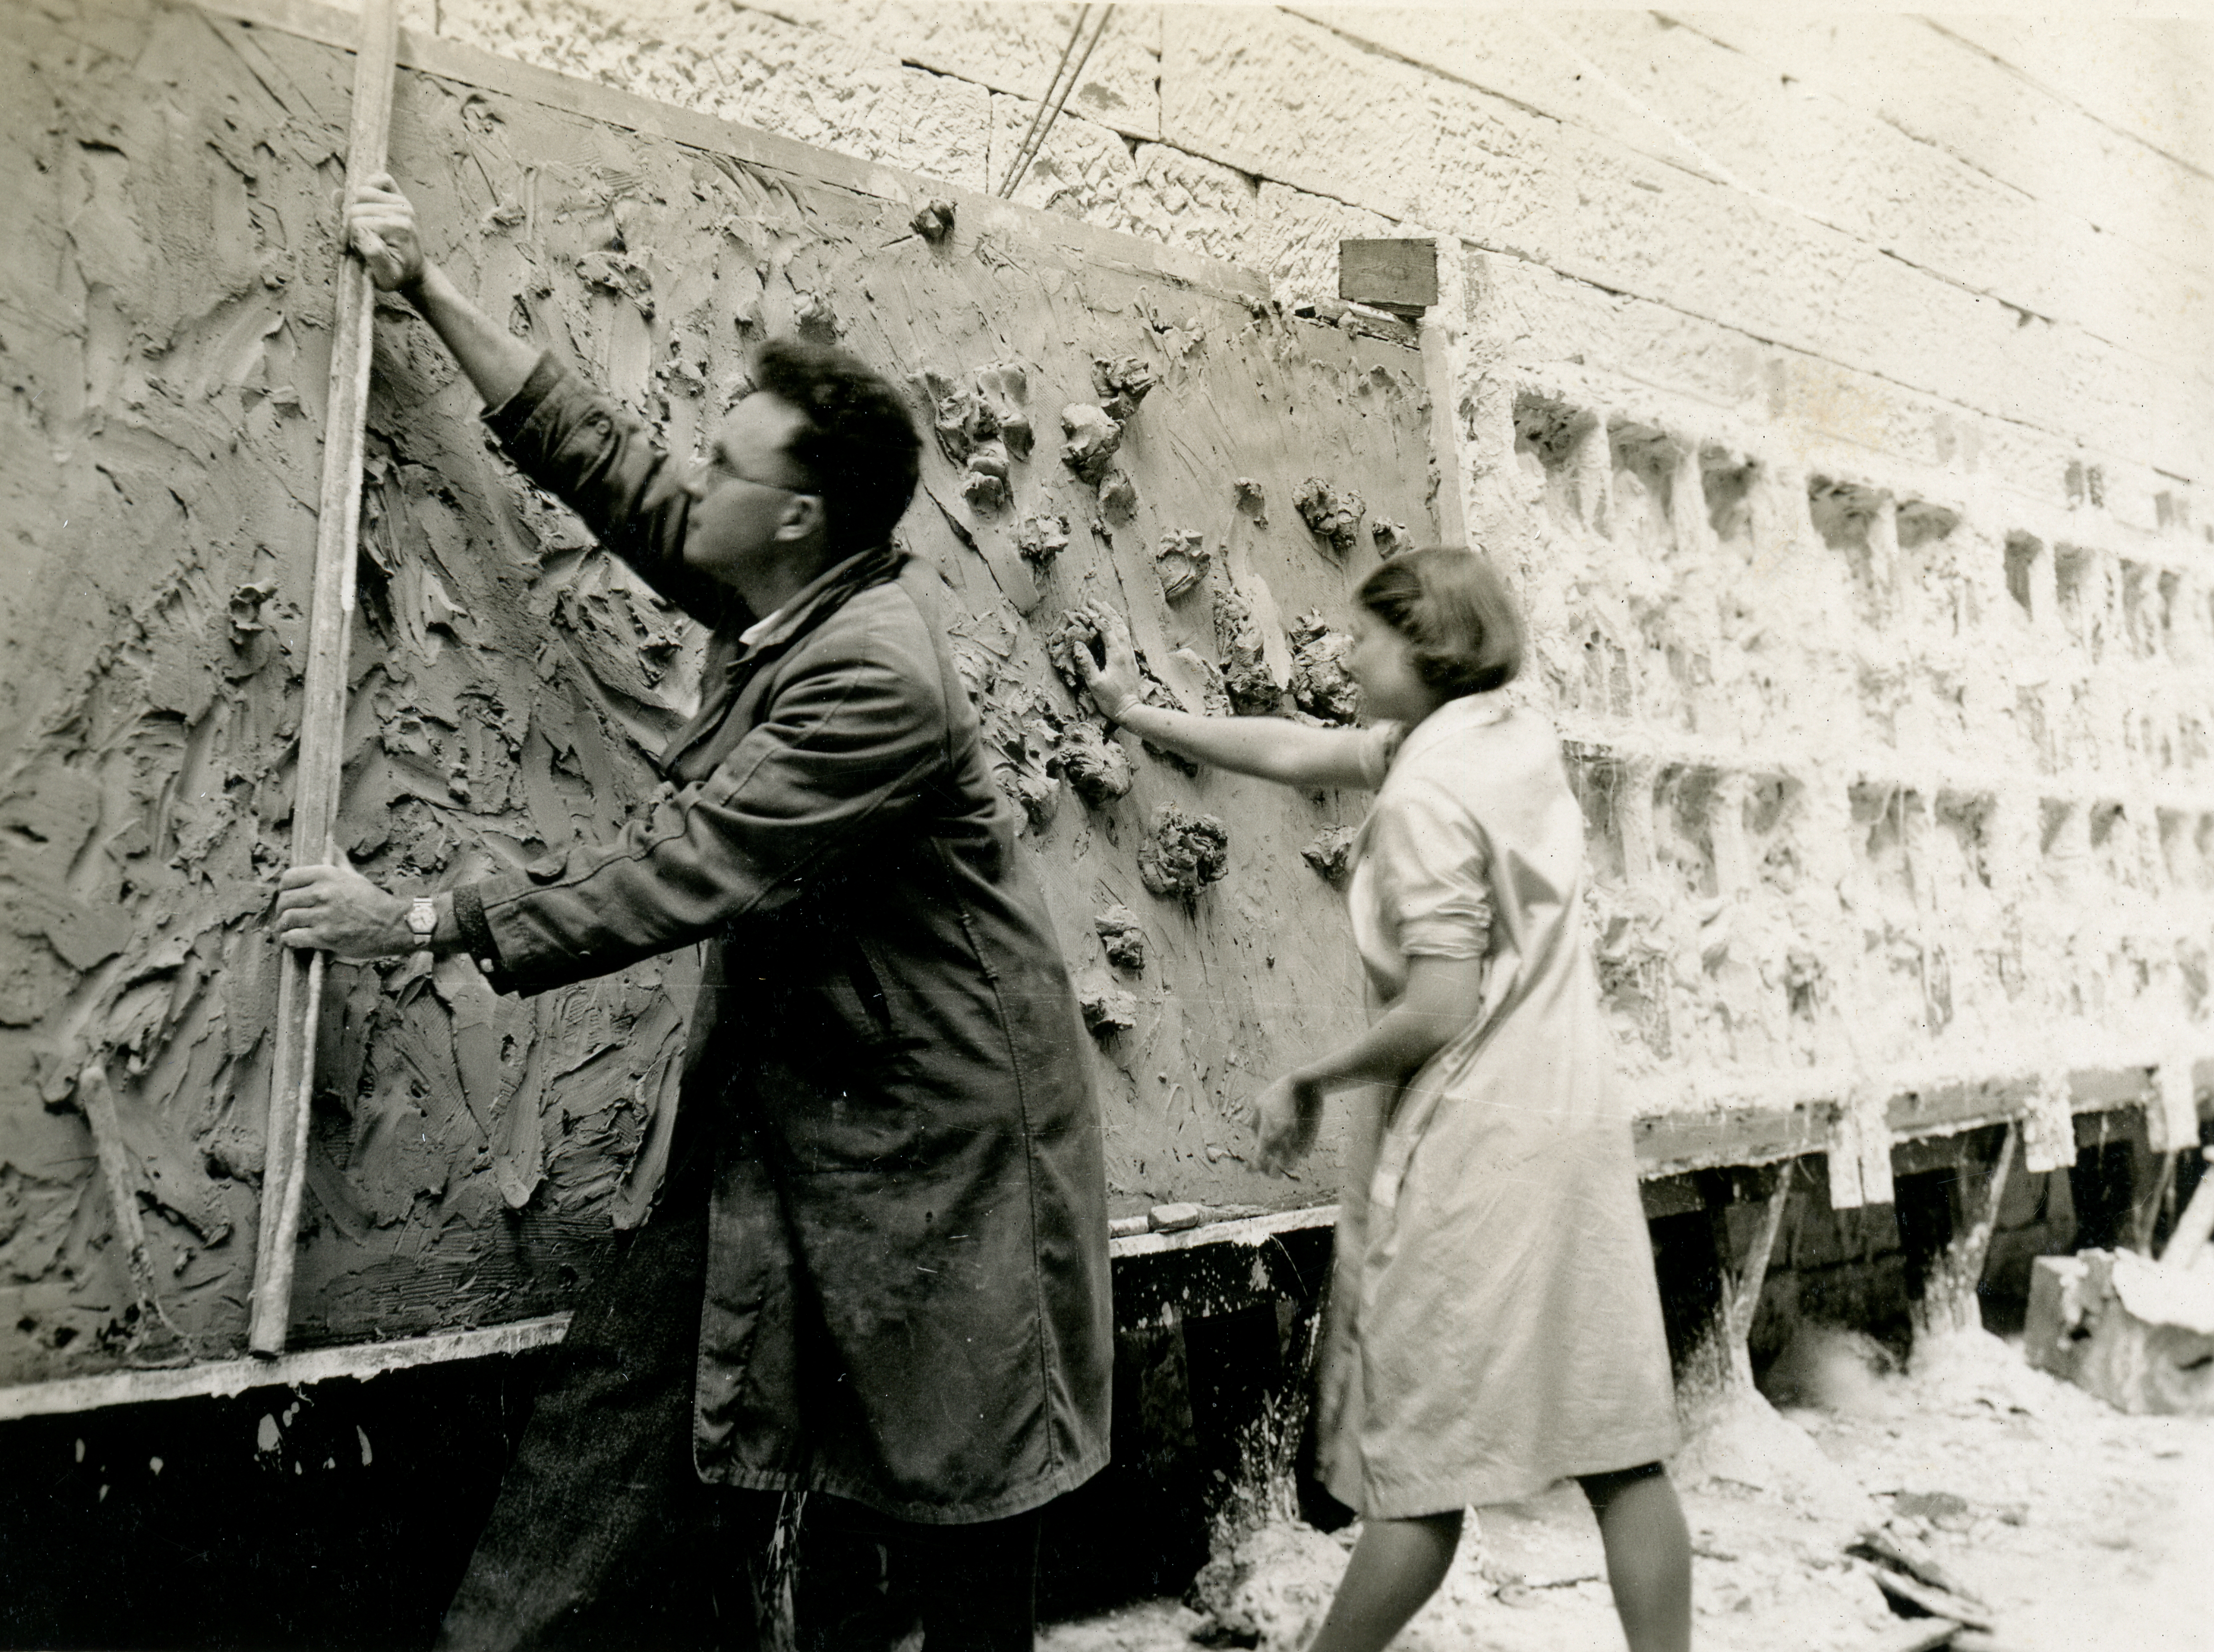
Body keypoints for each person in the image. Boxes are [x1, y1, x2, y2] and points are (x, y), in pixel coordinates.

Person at [274, 176, 1112, 1652]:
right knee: (631, 1409)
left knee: (957, 1511)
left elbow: (684, 869)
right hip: (783, 1113)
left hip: (934, 1149)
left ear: (793, 516)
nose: (693, 477)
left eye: (726, 463)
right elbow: (628, 485)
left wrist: (410, 924)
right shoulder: (797, 589)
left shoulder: (873, 678)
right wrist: (430, 286)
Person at [1072, 550, 1691, 1652]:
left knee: (1417, 1470)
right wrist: (1143, 718)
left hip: (1475, 1140)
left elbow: (1441, 1004)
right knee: (1616, 1443)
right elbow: (1291, 750)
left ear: (1428, 649)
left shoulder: (1423, 800)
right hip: (1568, 1120)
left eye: (1365, 637)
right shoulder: (1505, 738)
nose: (1343, 651)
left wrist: (1310, 1077)